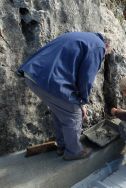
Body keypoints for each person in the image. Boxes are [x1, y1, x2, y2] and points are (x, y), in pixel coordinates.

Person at [18, 32, 109, 160]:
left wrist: (78, 101)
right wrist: (82, 102)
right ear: (107, 46)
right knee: (73, 115)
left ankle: (62, 146)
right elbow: (86, 78)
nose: (104, 56)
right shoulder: (99, 46)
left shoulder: (80, 36)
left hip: (33, 73)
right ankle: (74, 152)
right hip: (49, 81)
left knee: (60, 110)